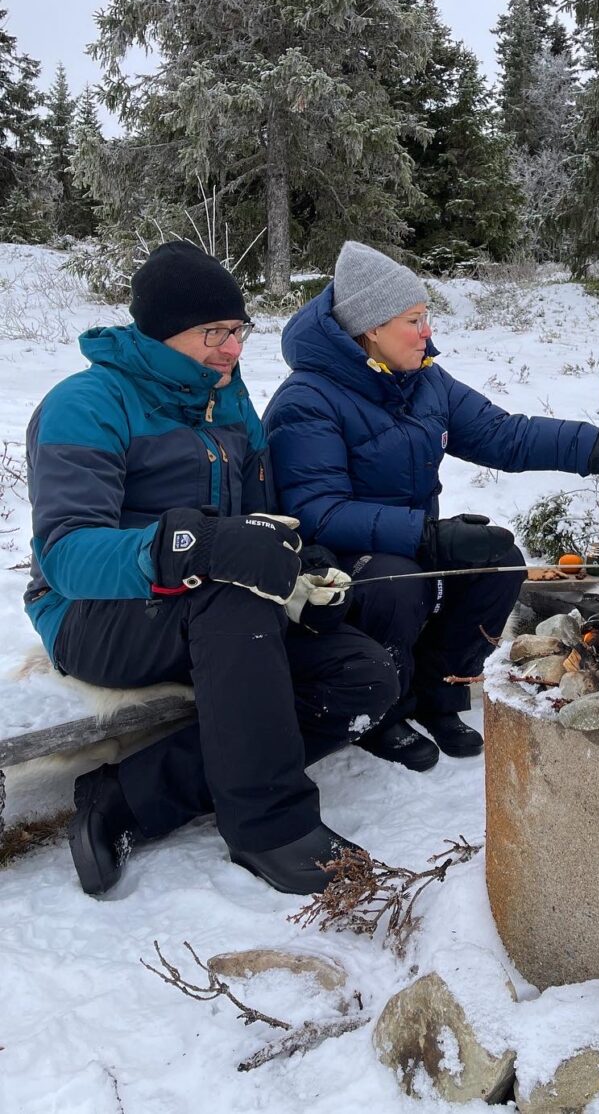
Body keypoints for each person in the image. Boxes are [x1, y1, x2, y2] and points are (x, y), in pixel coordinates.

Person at [24, 241, 399, 897]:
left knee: (361, 679)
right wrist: (194, 547)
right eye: (213, 334)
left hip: (216, 614)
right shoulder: (87, 403)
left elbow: (262, 519)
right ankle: (268, 826)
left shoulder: (229, 403)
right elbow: (67, 553)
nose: (232, 349)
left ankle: (126, 798)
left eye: (238, 330)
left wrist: (304, 567)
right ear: (163, 335)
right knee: (227, 595)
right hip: (95, 618)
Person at [262, 240, 599, 771]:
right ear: (370, 328)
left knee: (498, 563)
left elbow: (505, 436)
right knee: (397, 584)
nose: (427, 331)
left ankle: (438, 693)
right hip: (334, 562)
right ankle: (382, 711)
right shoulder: (308, 399)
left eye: (425, 316)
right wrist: (427, 535)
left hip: (408, 539)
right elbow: (317, 510)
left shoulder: (424, 380)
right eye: (413, 320)